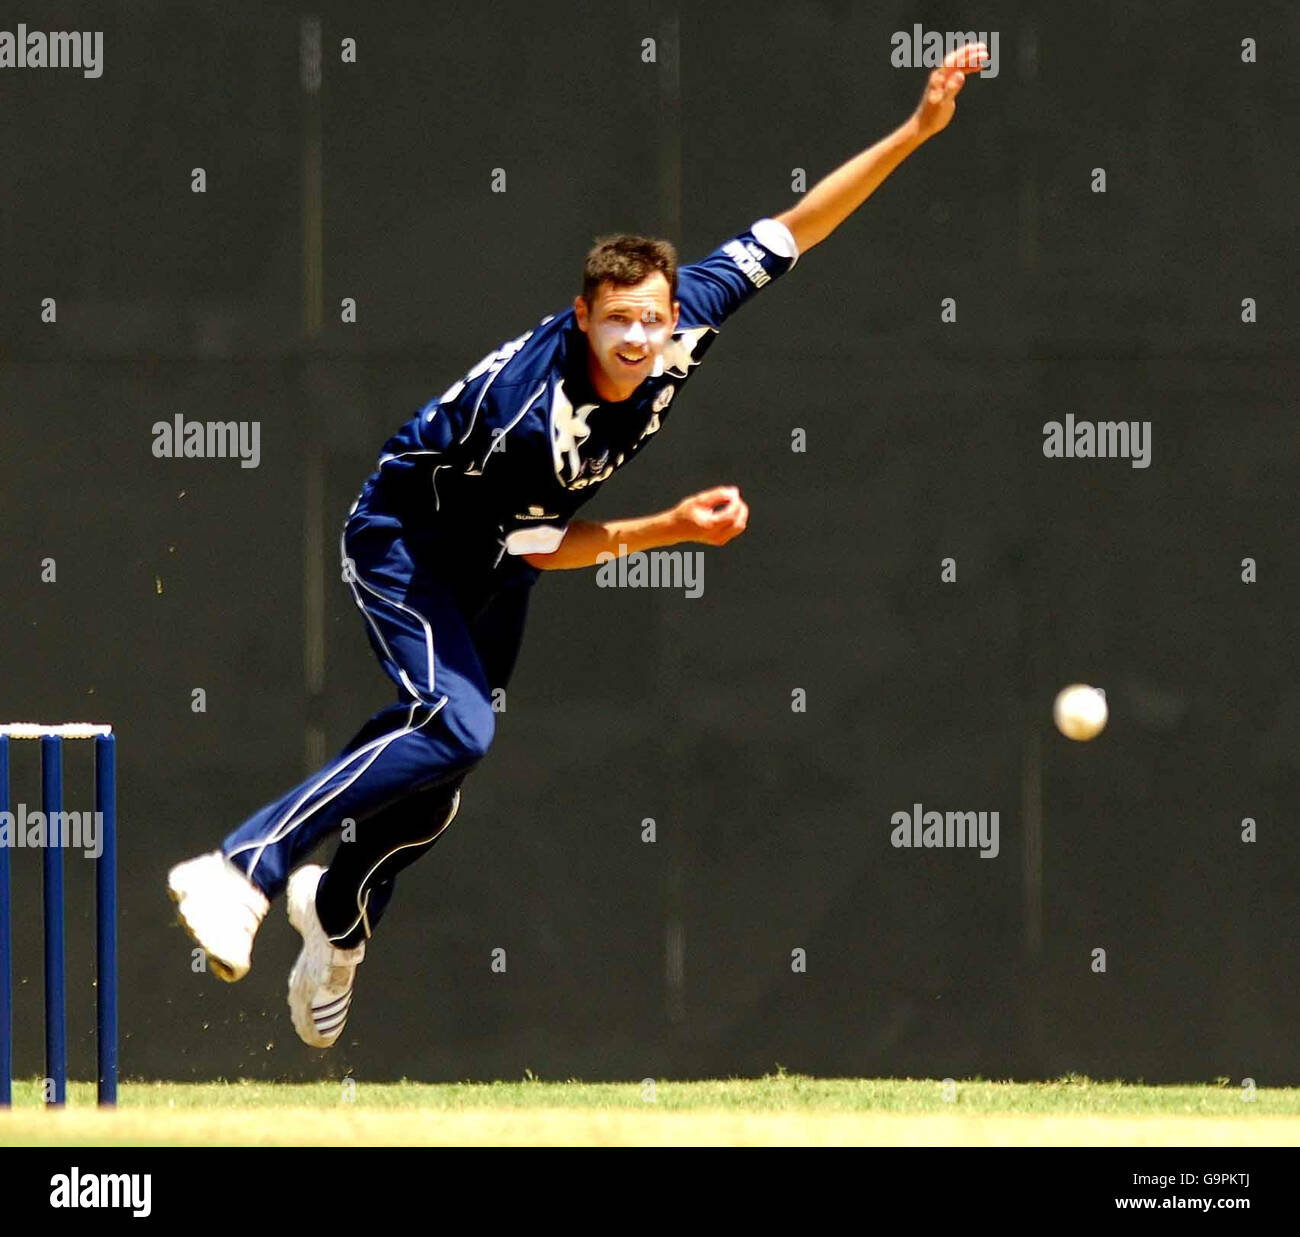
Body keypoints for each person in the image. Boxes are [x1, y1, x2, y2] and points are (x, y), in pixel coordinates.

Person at [168, 45, 984, 1048]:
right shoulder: (527, 421)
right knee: (456, 727)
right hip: (410, 542)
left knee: (436, 781)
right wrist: (671, 528)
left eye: (652, 319)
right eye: (618, 326)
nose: (638, 341)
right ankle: (242, 864)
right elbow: (551, 545)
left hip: (498, 554)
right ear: (582, 316)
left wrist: (913, 132)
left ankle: (335, 916)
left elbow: (800, 224)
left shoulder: (689, 314)